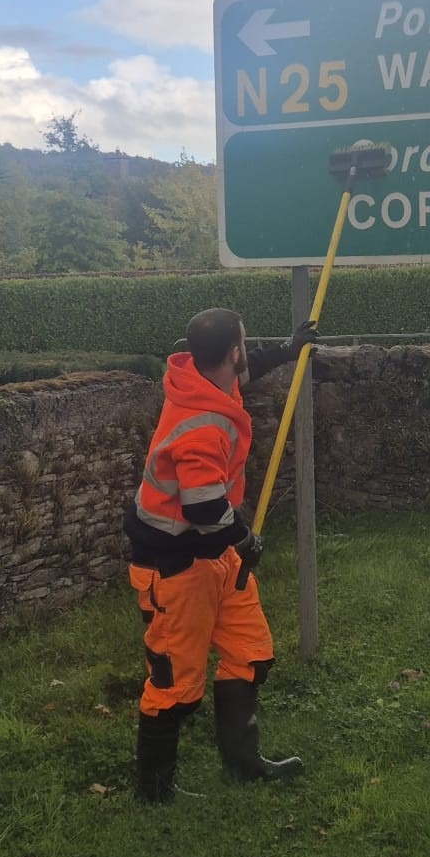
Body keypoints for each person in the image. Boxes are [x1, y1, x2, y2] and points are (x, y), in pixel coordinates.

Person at [123, 307, 316, 803]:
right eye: (244, 346)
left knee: (251, 654)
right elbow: (204, 505)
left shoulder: (205, 380)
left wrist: (291, 350)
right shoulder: (201, 424)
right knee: (175, 687)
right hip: (175, 567)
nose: (247, 355)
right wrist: (244, 539)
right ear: (232, 352)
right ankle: (155, 792)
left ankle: (242, 762)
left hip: (213, 554)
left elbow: (250, 369)